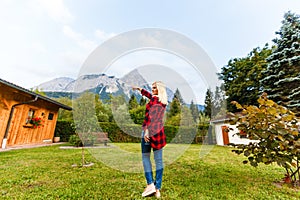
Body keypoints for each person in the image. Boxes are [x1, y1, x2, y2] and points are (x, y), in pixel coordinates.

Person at [132, 81, 168, 198]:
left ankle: (150, 184)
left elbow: (150, 117)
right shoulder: (162, 101)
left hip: (149, 132)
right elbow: (150, 96)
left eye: (154, 88)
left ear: (159, 89)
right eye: (152, 88)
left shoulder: (154, 100)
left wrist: (146, 130)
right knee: (159, 161)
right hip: (159, 133)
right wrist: (140, 89)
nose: (152, 90)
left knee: (145, 157)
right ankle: (157, 188)